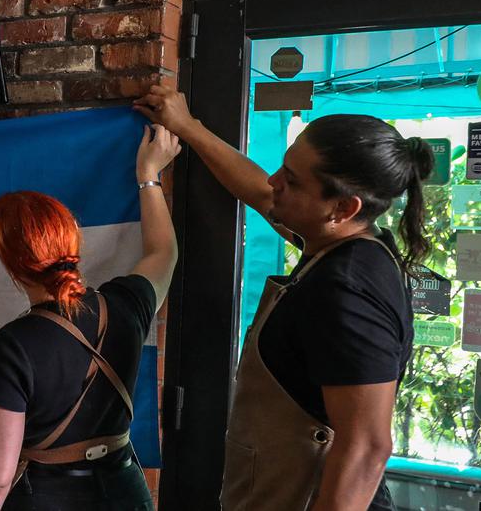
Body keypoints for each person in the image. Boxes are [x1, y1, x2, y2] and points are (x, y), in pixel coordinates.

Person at [135, 84, 432, 511]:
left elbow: (367, 446)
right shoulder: (339, 240)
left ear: (343, 208)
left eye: (291, 180)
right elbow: (260, 192)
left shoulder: (349, 290)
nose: (275, 180)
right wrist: (187, 127)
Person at [0, 124, 182, 511]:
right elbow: (164, 253)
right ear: (74, 244)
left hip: (48, 498)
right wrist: (149, 177)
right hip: (125, 492)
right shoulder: (126, 305)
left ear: (12, 267)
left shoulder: (13, 346)